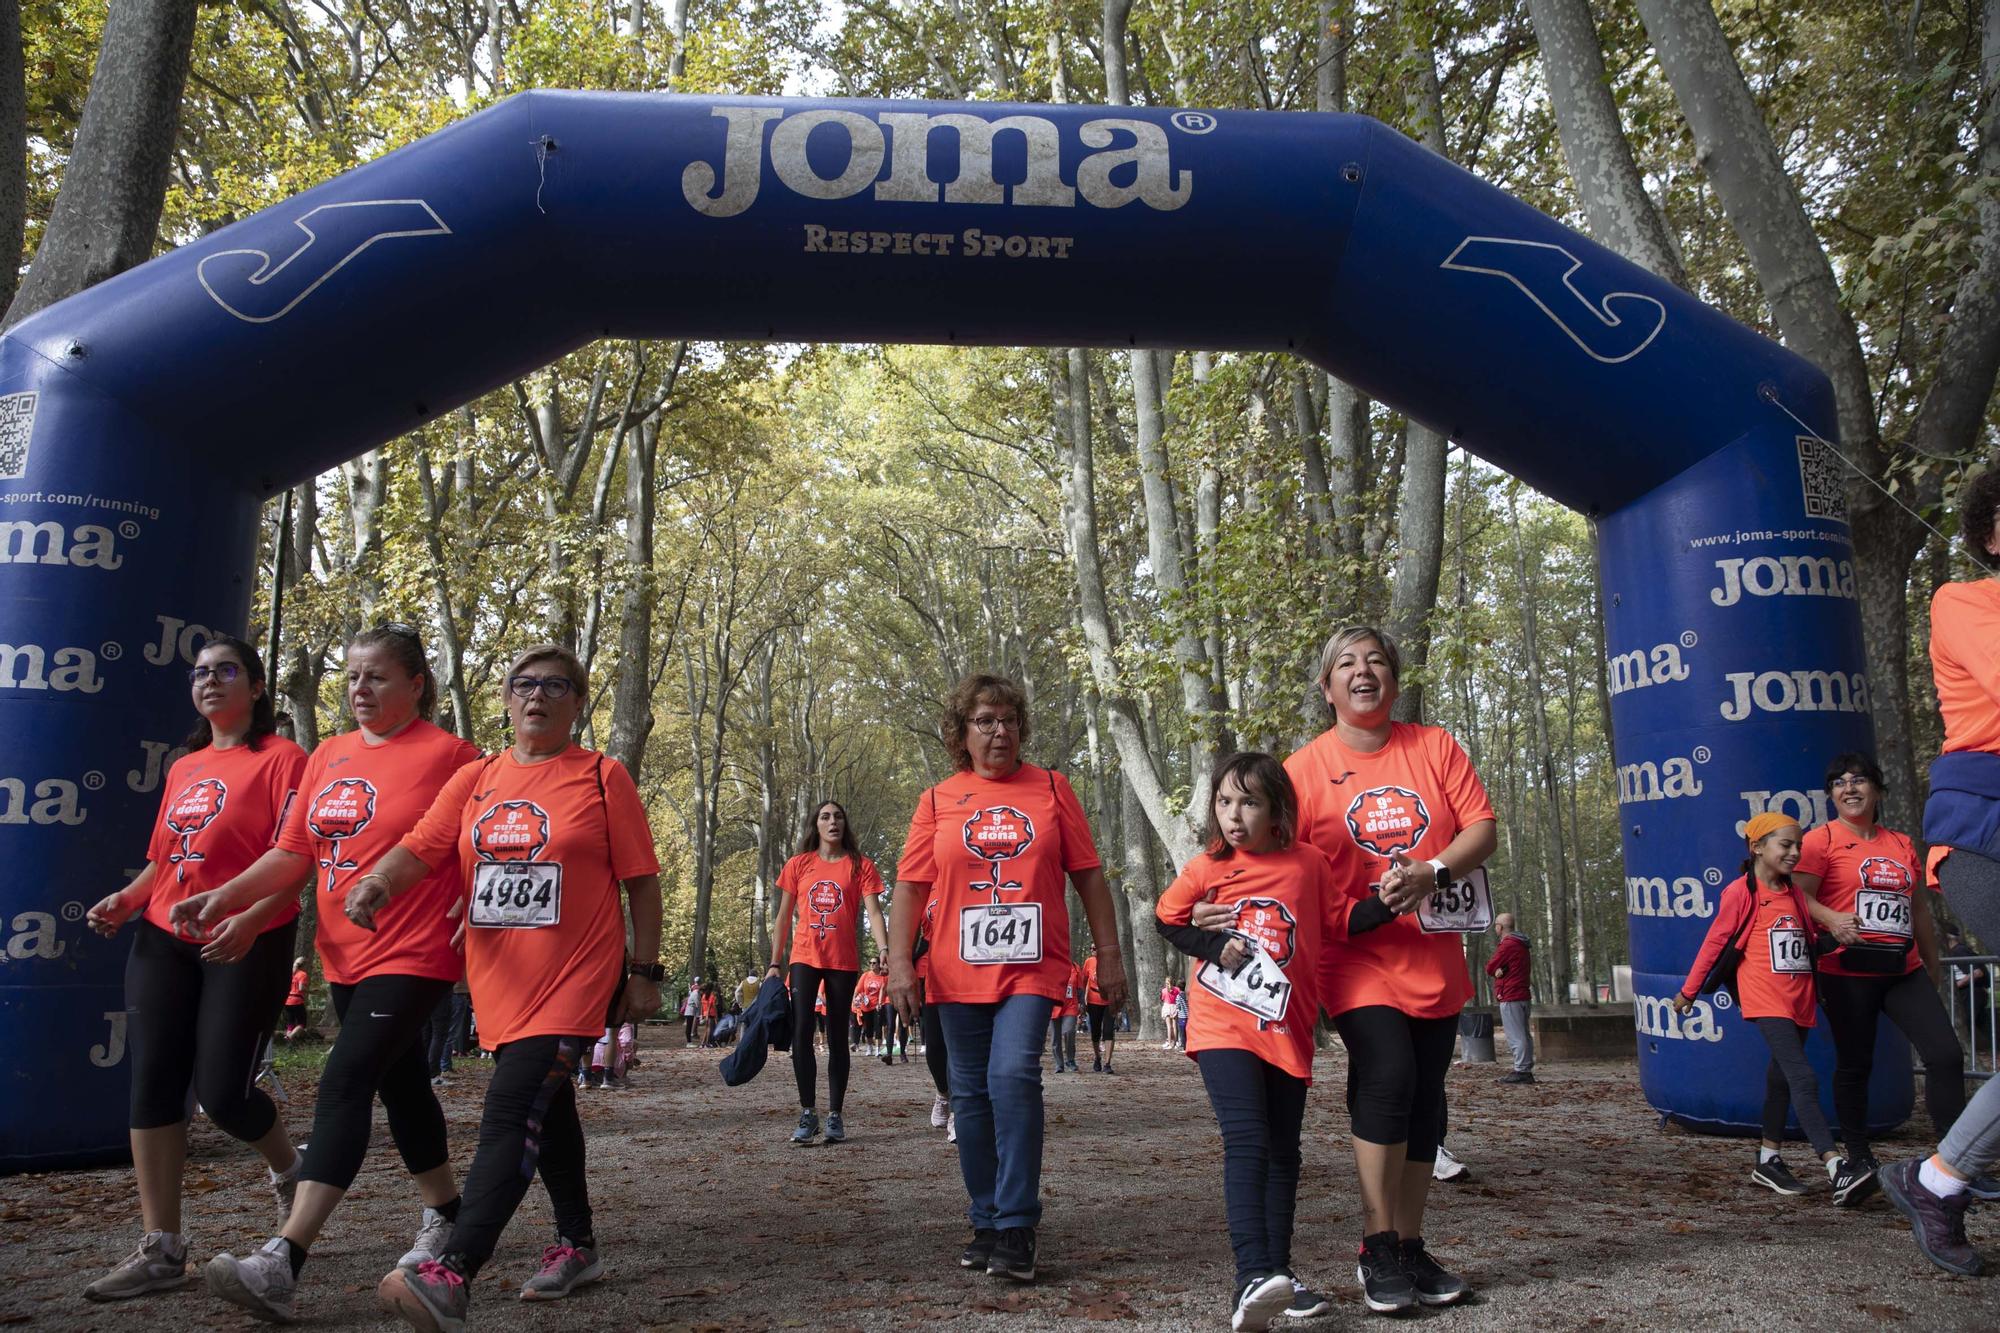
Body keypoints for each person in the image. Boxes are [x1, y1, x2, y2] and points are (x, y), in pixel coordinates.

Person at [172, 624, 482, 1322]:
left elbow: (475, 841)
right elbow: (293, 853)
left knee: (346, 1078)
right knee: (401, 1085)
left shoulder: (452, 755)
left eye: (376, 676)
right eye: (351, 677)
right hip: (345, 954)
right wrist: (228, 899)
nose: (359, 689)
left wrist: (476, 900)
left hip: (416, 948)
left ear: (416, 684)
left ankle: (283, 1258)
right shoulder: (329, 756)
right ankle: (446, 1212)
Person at [355, 643, 664, 1329]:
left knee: (510, 1106)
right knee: (546, 1112)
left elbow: (641, 881)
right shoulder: (477, 778)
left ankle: (453, 1269)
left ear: (578, 704)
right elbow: (424, 845)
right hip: (498, 984)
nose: (538, 695)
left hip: (575, 978)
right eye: (525, 682)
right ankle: (577, 1243)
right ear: (505, 696)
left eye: (556, 685)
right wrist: (378, 881)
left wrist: (644, 973)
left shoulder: (601, 777)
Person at [1196, 626, 1487, 1313]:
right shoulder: (1299, 771)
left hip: (1434, 952)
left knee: (1427, 1098)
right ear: (1326, 688)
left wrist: (1434, 870)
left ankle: (1411, 1248)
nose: (1364, 672)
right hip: (1350, 956)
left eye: (1377, 661)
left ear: (1394, 679)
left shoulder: (1435, 747)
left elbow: (1482, 828)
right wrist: (1206, 913)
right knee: (1388, 1075)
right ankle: (1377, 1243)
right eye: (1346, 664)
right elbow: (1244, 847)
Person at [81, 636, 308, 1303]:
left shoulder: (285, 760)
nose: (210, 680)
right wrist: (127, 900)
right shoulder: (185, 765)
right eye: (200, 672)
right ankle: (161, 1247)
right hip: (163, 933)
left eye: (226, 670)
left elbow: (297, 859)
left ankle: (290, 1167)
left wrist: (247, 916)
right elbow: (164, 856)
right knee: (153, 1081)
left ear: (258, 685)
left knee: (223, 1093)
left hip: (247, 934)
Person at [888, 673, 1128, 1283]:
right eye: (985, 721)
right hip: (953, 970)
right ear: (961, 733)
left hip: (1032, 965)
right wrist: (897, 965)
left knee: (1013, 1075)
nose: (1000, 731)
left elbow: (1090, 877)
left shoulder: (1051, 787)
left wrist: (1110, 955)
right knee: (968, 1095)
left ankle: (1018, 1222)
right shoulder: (938, 800)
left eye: (1009, 720)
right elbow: (912, 888)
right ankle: (986, 1217)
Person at [1158, 753, 1396, 1331]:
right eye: (1224, 803)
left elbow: (1342, 919)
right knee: (1247, 1139)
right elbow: (1167, 920)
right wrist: (1211, 947)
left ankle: (1278, 1278)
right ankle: (1252, 1275)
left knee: (1285, 1152)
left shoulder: (1308, 864)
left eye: (1249, 803)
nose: (1234, 815)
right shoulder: (1205, 868)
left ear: (1277, 811)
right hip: (1222, 1027)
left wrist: (1391, 900)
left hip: (1286, 1031)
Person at [1880, 467, 2000, 1275]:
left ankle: (1938, 1177)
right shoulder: (1961, 600)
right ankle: (1937, 1175)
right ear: (1993, 533)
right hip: (1985, 836)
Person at [1674, 812, 1873, 1204]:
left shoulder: (1795, 893)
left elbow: (1803, 942)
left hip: (1799, 997)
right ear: (1757, 847)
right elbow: (1715, 943)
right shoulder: (1740, 893)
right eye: (1786, 845)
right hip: (1765, 997)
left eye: (1798, 845)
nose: (1795, 852)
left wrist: (1837, 937)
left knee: (1781, 1078)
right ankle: (1837, 1168)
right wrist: (1689, 991)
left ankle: (1768, 1160)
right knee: (1803, 1078)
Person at [1791, 752, 1963, 1174]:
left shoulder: (1901, 843)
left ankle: (1955, 1162)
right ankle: (1859, 1156)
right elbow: (1796, 896)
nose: (1849, 787)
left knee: (1945, 1056)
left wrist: (1931, 964)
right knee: (1855, 1063)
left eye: (1859, 779)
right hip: (1847, 970)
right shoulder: (1820, 840)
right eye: (1839, 782)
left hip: (1902, 970)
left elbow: (1917, 909)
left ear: (1877, 790)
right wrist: (1831, 917)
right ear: (1832, 795)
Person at [766, 799, 890, 1146]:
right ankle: (808, 1112)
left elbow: (875, 913)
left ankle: (835, 1115)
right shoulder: (799, 865)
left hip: (843, 960)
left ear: (844, 824)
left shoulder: (860, 866)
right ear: (815, 825)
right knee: (803, 1030)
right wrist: (775, 963)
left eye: (838, 816)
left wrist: (884, 949)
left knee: (838, 1035)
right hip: (805, 956)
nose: (832, 821)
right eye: (825, 816)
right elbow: (783, 917)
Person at [915, 889, 955, 1139]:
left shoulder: (969, 870)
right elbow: (910, 932)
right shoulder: (923, 886)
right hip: (930, 973)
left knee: (961, 1045)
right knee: (935, 1046)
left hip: (967, 966)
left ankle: (960, 1110)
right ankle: (943, 1093)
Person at [1485, 914, 1534, 1084]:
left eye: (1496, 925)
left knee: (1516, 1036)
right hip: (1522, 994)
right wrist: (1501, 970)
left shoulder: (1508, 945)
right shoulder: (1522, 944)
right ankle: (1525, 1067)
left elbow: (1490, 967)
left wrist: (1497, 971)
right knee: (1524, 1034)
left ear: (1500, 927)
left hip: (1510, 994)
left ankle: (1521, 1070)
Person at [1083, 944, 1119, 1073]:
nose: (1092, 950)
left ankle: (1107, 1063)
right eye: (1091, 948)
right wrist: (1084, 999)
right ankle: (1097, 1057)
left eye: (1094, 948)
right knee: (1095, 1032)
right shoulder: (1089, 962)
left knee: (1109, 1031)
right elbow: (1084, 980)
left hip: (1108, 1000)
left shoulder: (1111, 961)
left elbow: (1117, 981)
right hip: (1093, 1001)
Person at [1050, 957, 1082, 1073]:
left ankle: (1070, 1059)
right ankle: (1059, 1064)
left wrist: (1081, 1003)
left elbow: (1079, 988)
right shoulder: (1051, 965)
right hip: (1054, 1006)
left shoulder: (1075, 967)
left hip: (1070, 1005)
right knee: (1055, 1038)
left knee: (1069, 1031)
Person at [283, 958, 311, 1040]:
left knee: (290, 1022)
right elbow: (301, 988)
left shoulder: (290, 973)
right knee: (302, 1023)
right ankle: (289, 1037)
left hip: (287, 1001)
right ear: (304, 965)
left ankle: (288, 1041)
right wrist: (312, 991)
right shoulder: (302, 974)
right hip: (296, 1001)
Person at [1160, 980, 1179, 1050]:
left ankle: (1169, 1042)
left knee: (1169, 1026)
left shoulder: (1164, 990)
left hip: (1167, 1006)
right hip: (1174, 1006)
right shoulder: (1177, 989)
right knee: (1174, 1026)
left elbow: (1162, 998)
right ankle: (1176, 1042)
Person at [682, 979, 701, 1047]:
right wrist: (699, 1014)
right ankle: (689, 1042)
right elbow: (697, 1004)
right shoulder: (696, 993)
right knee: (689, 1027)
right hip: (690, 1012)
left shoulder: (693, 993)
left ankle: (689, 1041)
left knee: (689, 1027)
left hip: (690, 1011)